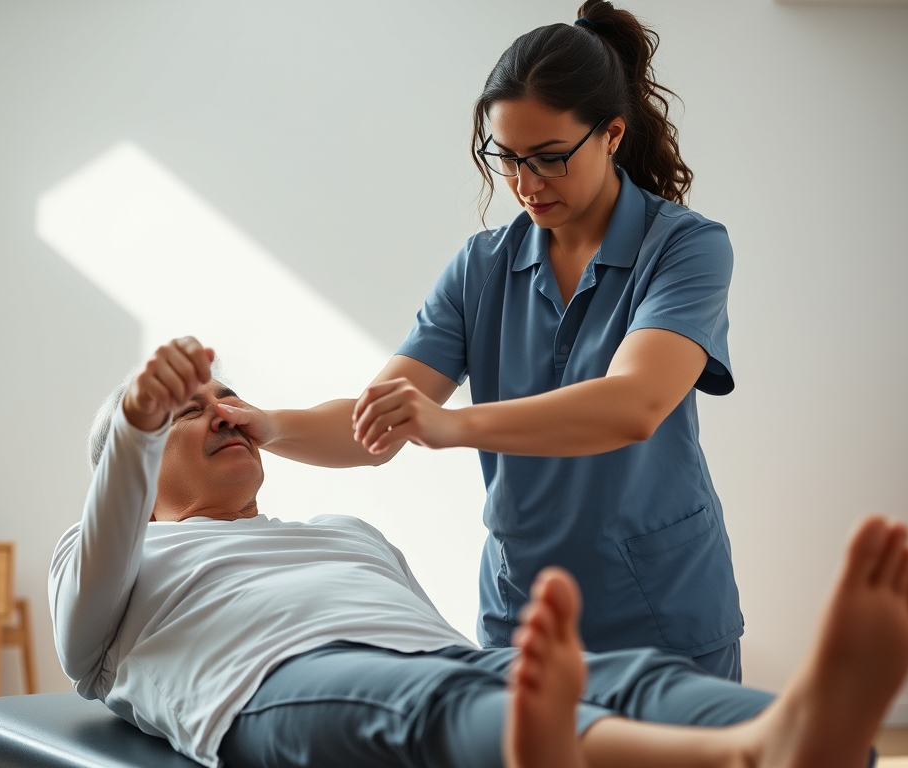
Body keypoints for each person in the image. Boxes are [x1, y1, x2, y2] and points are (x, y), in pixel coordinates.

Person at [49, 338, 908, 768]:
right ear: (136, 475)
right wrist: (134, 422)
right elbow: (79, 627)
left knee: (628, 678)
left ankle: (809, 734)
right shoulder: (114, 561)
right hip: (272, 681)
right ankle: (745, 756)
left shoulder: (345, 533)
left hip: (439, 659)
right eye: (185, 414)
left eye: (228, 397)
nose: (223, 412)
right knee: (441, 703)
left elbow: (439, 645)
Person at [208, 1, 750, 680]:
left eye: (550, 158)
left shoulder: (686, 248)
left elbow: (634, 404)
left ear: (612, 134)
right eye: (507, 158)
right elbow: (376, 424)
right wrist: (266, 425)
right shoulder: (482, 266)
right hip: (520, 624)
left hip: (664, 618)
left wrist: (451, 425)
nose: (525, 185)